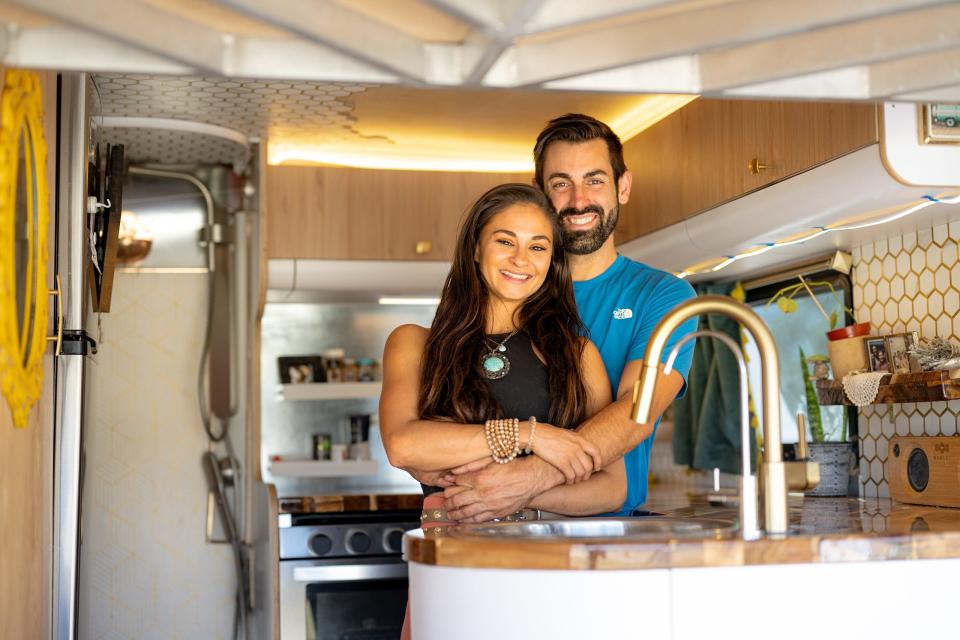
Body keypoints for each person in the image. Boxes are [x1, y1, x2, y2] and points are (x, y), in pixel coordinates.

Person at [439, 114, 699, 521]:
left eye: (594, 180)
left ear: (623, 187)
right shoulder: (505, 287)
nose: (578, 200)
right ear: (539, 194)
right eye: (561, 183)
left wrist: (527, 481)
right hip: (487, 520)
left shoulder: (663, 296)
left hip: (606, 524)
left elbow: (638, 408)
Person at [379, 182, 626, 517]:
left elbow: (612, 487)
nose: (520, 259)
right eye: (505, 241)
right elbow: (402, 445)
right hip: (454, 559)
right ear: (476, 249)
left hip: (552, 557)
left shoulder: (578, 355)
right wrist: (532, 436)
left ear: (552, 261)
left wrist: (519, 491)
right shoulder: (414, 343)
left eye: (538, 248)